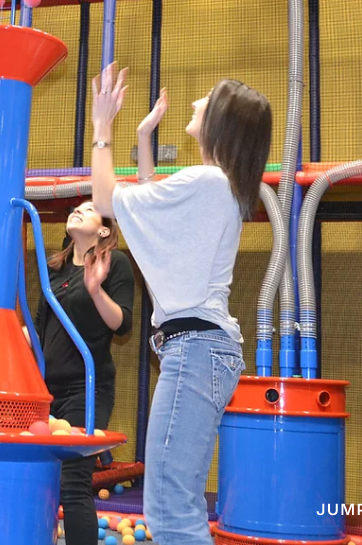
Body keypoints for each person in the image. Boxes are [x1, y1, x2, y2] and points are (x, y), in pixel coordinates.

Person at [86, 66, 272, 544]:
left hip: (195, 350)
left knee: (170, 505)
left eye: (205, 99)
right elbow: (153, 207)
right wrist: (144, 135)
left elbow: (107, 199)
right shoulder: (217, 187)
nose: (194, 104)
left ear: (221, 122)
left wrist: (102, 127)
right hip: (201, 349)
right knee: (176, 499)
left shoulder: (209, 181)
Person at [33, 201, 137, 545]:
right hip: (46, 389)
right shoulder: (54, 268)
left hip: (86, 387)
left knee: (73, 481)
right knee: (39, 478)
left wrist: (94, 289)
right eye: (75, 207)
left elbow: (122, 324)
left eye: (88, 209)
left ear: (104, 229)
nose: (78, 210)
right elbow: (39, 329)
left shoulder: (114, 263)